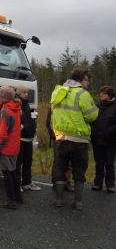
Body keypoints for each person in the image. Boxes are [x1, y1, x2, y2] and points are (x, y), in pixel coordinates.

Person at [50, 68, 98, 210]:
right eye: (86, 80)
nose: (87, 83)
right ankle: (78, 202)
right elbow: (92, 116)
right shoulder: (83, 94)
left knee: (60, 168)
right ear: (80, 79)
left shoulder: (57, 92)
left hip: (61, 138)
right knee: (78, 170)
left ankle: (59, 200)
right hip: (79, 139)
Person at [0, 85, 22, 209]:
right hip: (14, 147)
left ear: (4, 98)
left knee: (7, 174)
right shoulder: (15, 109)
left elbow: (2, 133)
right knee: (14, 172)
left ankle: (11, 201)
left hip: (5, 148)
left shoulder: (5, 111)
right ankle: (18, 197)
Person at [90, 85, 116, 193]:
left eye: (104, 93)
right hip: (97, 140)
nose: (101, 95)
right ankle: (98, 183)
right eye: (101, 93)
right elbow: (92, 120)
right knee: (99, 162)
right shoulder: (97, 106)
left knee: (109, 163)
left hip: (111, 141)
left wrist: (106, 134)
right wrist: (95, 134)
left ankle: (110, 184)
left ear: (109, 95)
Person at [15, 85, 40, 191]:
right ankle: (17, 184)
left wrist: (32, 129)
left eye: (27, 93)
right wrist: (24, 128)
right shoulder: (17, 104)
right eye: (24, 92)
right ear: (19, 94)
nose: (26, 94)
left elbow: (29, 119)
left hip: (28, 138)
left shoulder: (27, 104)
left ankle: (27, 182)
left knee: (28, 162)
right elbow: (19, 121)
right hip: (21, 139)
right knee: (18, 163)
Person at [46, 107, 74, 192]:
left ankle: (67, 182)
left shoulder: (71, 103)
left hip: (70, 136)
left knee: (69, 161)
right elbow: (49, 122)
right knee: (58, 161)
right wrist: (53, 136)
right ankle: (57, 182)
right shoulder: (54, 104)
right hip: (58, 137)